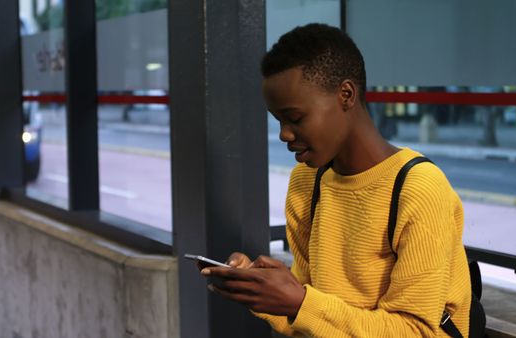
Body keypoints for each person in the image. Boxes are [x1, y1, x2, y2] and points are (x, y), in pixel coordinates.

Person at [201, 23, 472, 337]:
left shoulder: (418, 188)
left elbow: (417, 331)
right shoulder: (306, 182)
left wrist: (299, 301)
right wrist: (264, 290)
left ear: (346, 94)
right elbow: (314, 318)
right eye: (279, 120)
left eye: (295, 118)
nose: (284, 134)